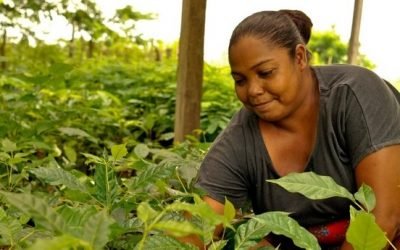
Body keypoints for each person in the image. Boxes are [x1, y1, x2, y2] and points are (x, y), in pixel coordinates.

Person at [195, 9, 400, 249]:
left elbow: (383, 219)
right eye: (240, 80)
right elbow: (197, 228)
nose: (252, 90)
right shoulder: (239, 139)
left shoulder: (354, 94)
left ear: (300, 57)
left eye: (266, 73)